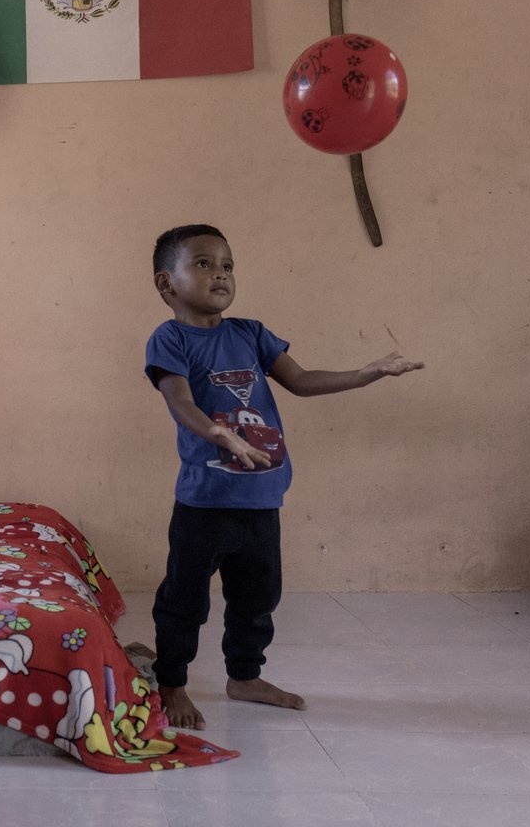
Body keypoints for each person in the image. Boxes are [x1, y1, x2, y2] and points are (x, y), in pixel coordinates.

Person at [144, 224, 423, 731]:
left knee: (258, 597)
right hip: (205, 501)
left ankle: (244, 677)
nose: (221, 274)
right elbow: (179, 401)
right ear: (167, 284)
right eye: (203, 264)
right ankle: (171, 681)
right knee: (184, 599)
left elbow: (300, 381)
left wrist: (367, 373)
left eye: (228, 265)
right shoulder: (170, 338)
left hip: (262, 495)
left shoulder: (250, 333)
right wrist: (221, 435)